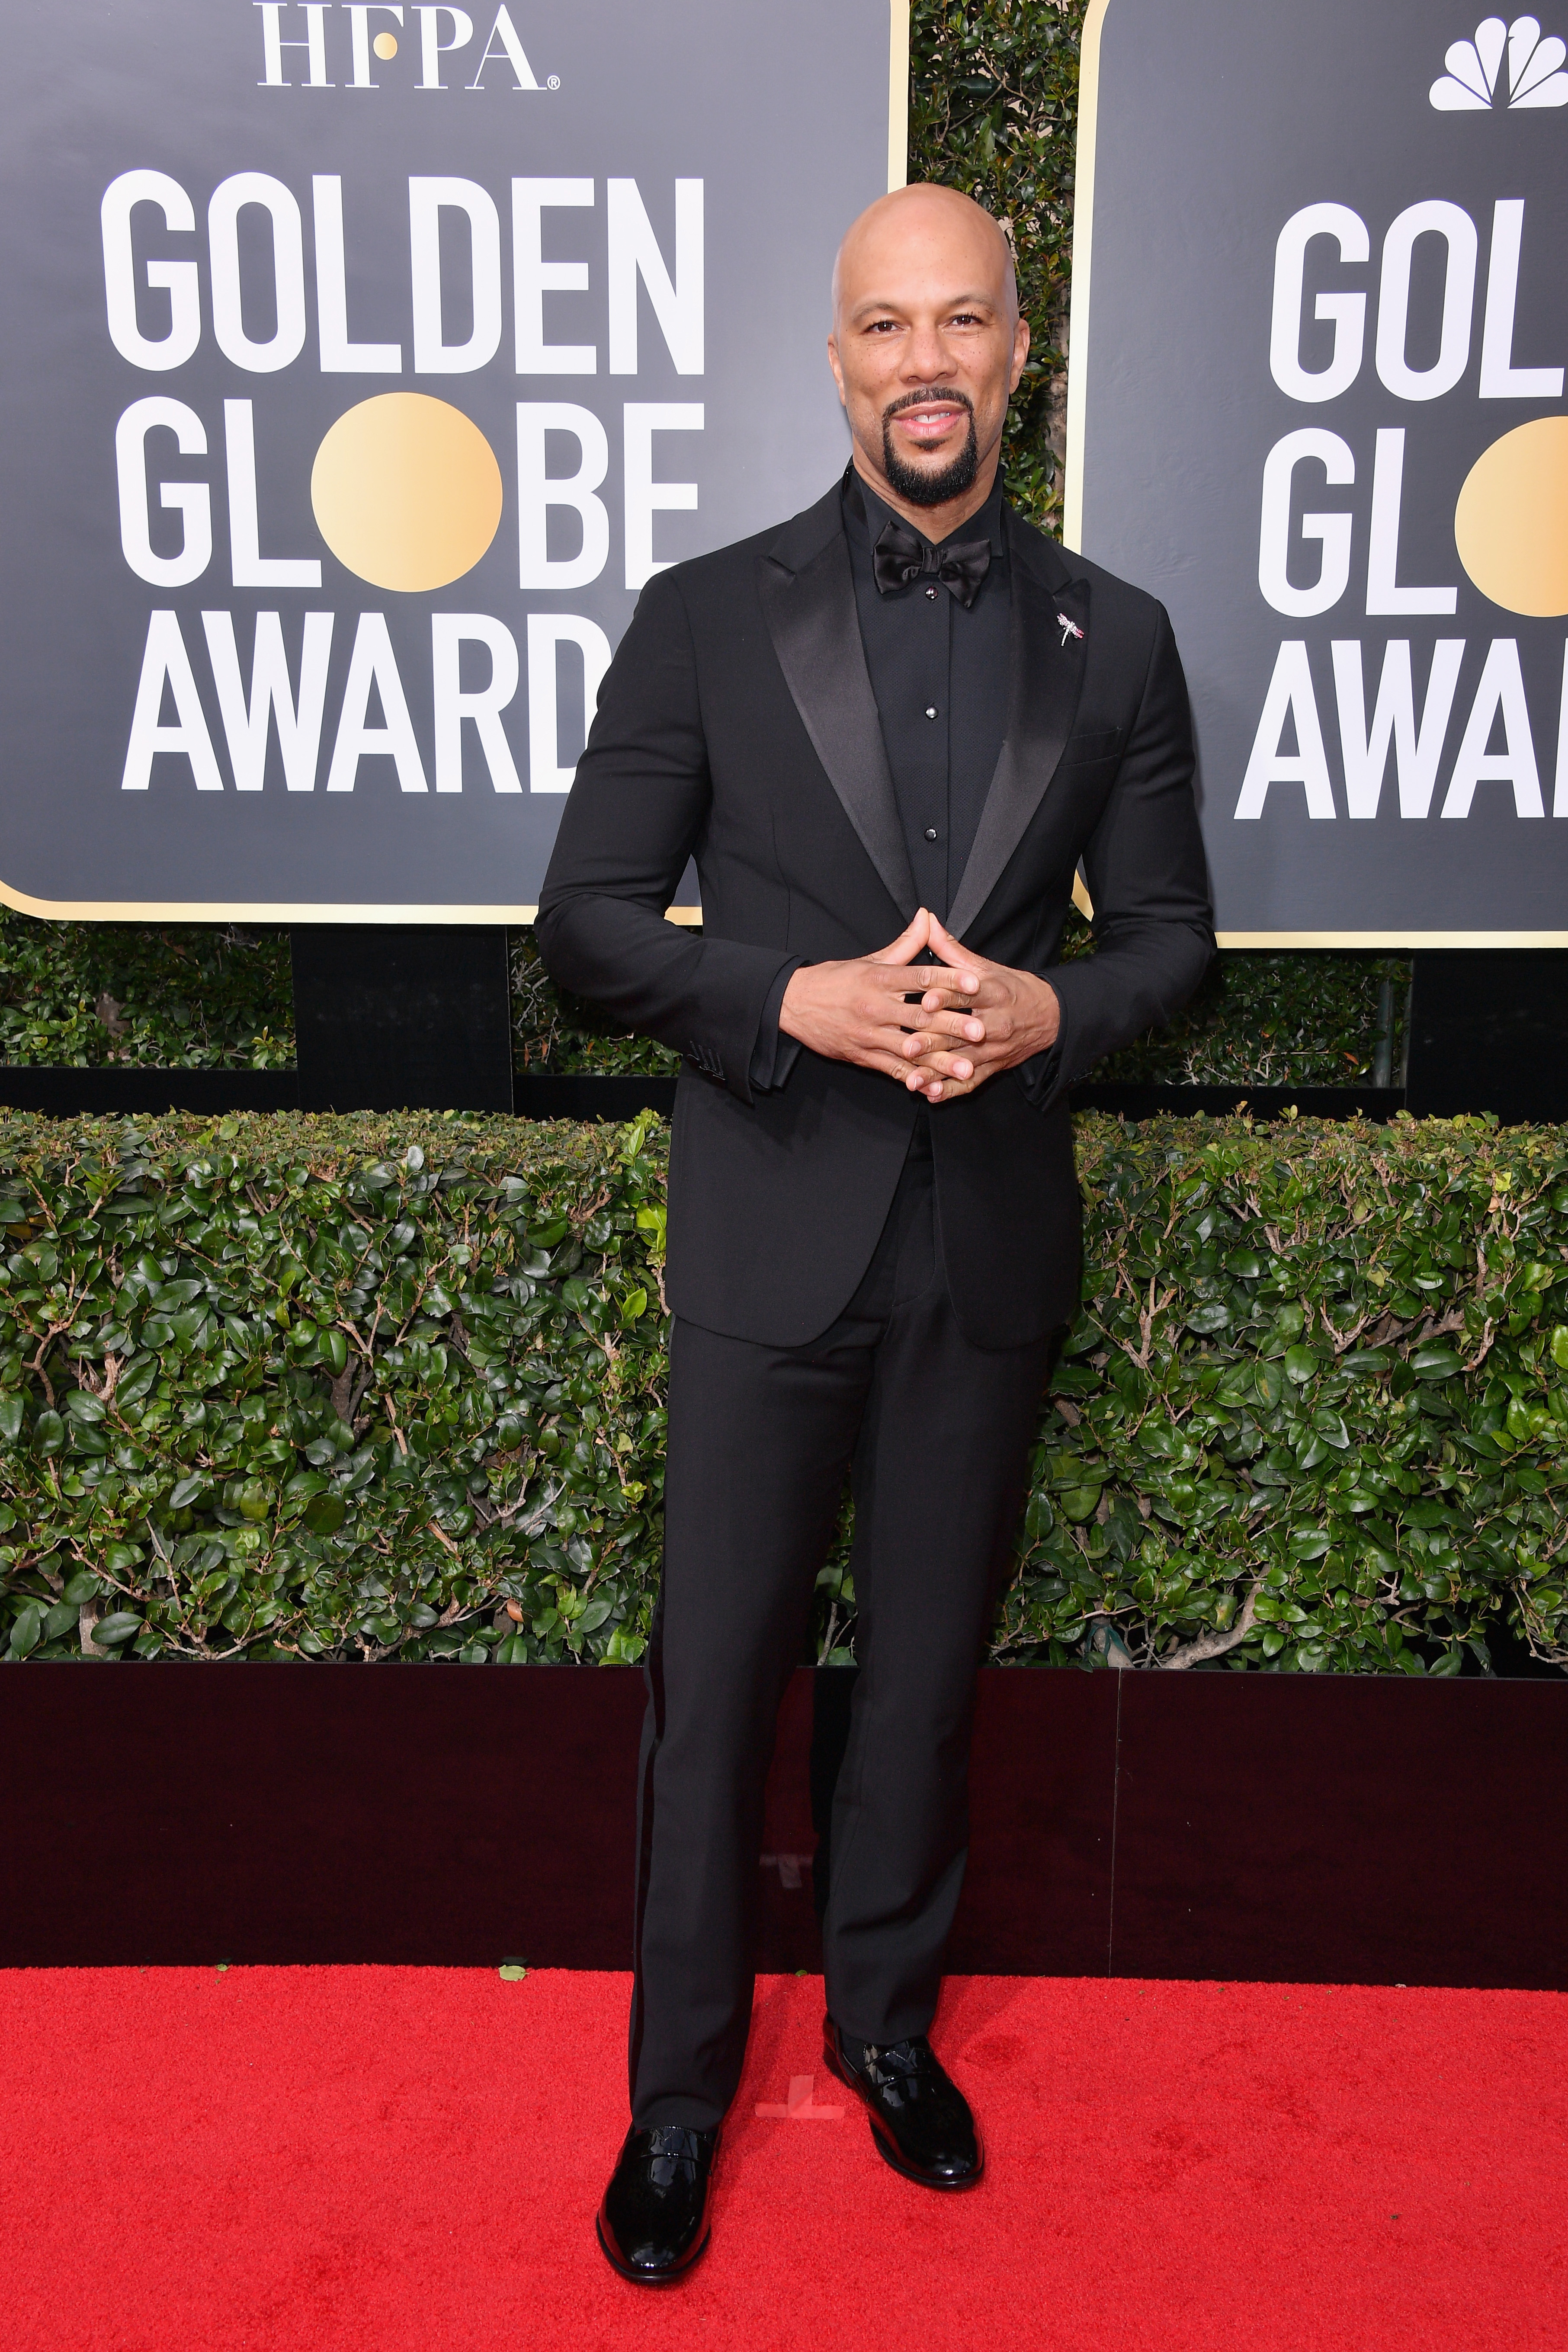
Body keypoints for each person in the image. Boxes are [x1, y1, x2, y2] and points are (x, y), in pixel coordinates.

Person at [535, 182, 1212, 2284]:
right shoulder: (701, 614)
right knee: (716, 1680)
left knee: (920, 1678)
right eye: (887, 325)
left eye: (964, 321)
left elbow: (1174, 942)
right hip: (770, 1227)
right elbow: (583, 925)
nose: (927, 361)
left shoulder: (1119, 635)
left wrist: (1050, 1013)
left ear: (1019, 351)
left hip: (982, 1242)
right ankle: (676, 2098)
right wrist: (787, 998)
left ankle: (887, 2029)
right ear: (835, 358)